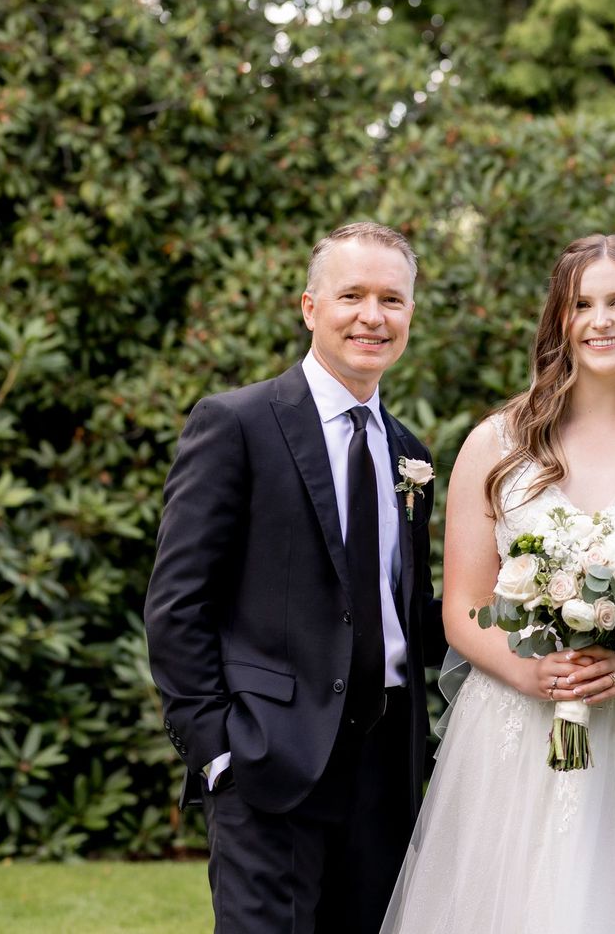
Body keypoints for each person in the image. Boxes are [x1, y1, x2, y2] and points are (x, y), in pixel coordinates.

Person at [380, 234, 615, 934]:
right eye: (582, 304)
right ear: (559, 318)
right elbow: (463, 606)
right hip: (515, 722)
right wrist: (529, 672)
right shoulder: (497, 443)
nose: (600, 321)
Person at [144, 222, 442, 932]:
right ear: (311, 307)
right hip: (267, 760)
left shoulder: (409, 453)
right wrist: (217, 752)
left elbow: (407, 610)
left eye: (392, 300)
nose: (373, 316)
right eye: (352, 295)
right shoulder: (236, 424)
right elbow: (177, 603)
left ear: (410, 314)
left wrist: (527, 606)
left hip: (385, 766)